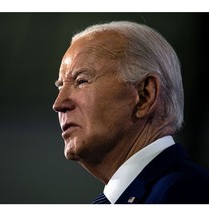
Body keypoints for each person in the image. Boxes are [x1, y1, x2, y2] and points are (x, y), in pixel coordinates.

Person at [52, 21, 209, 204]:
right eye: (60, 86)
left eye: (82, 81)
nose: (58, 104)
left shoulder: (185, 194)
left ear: (144, 95)